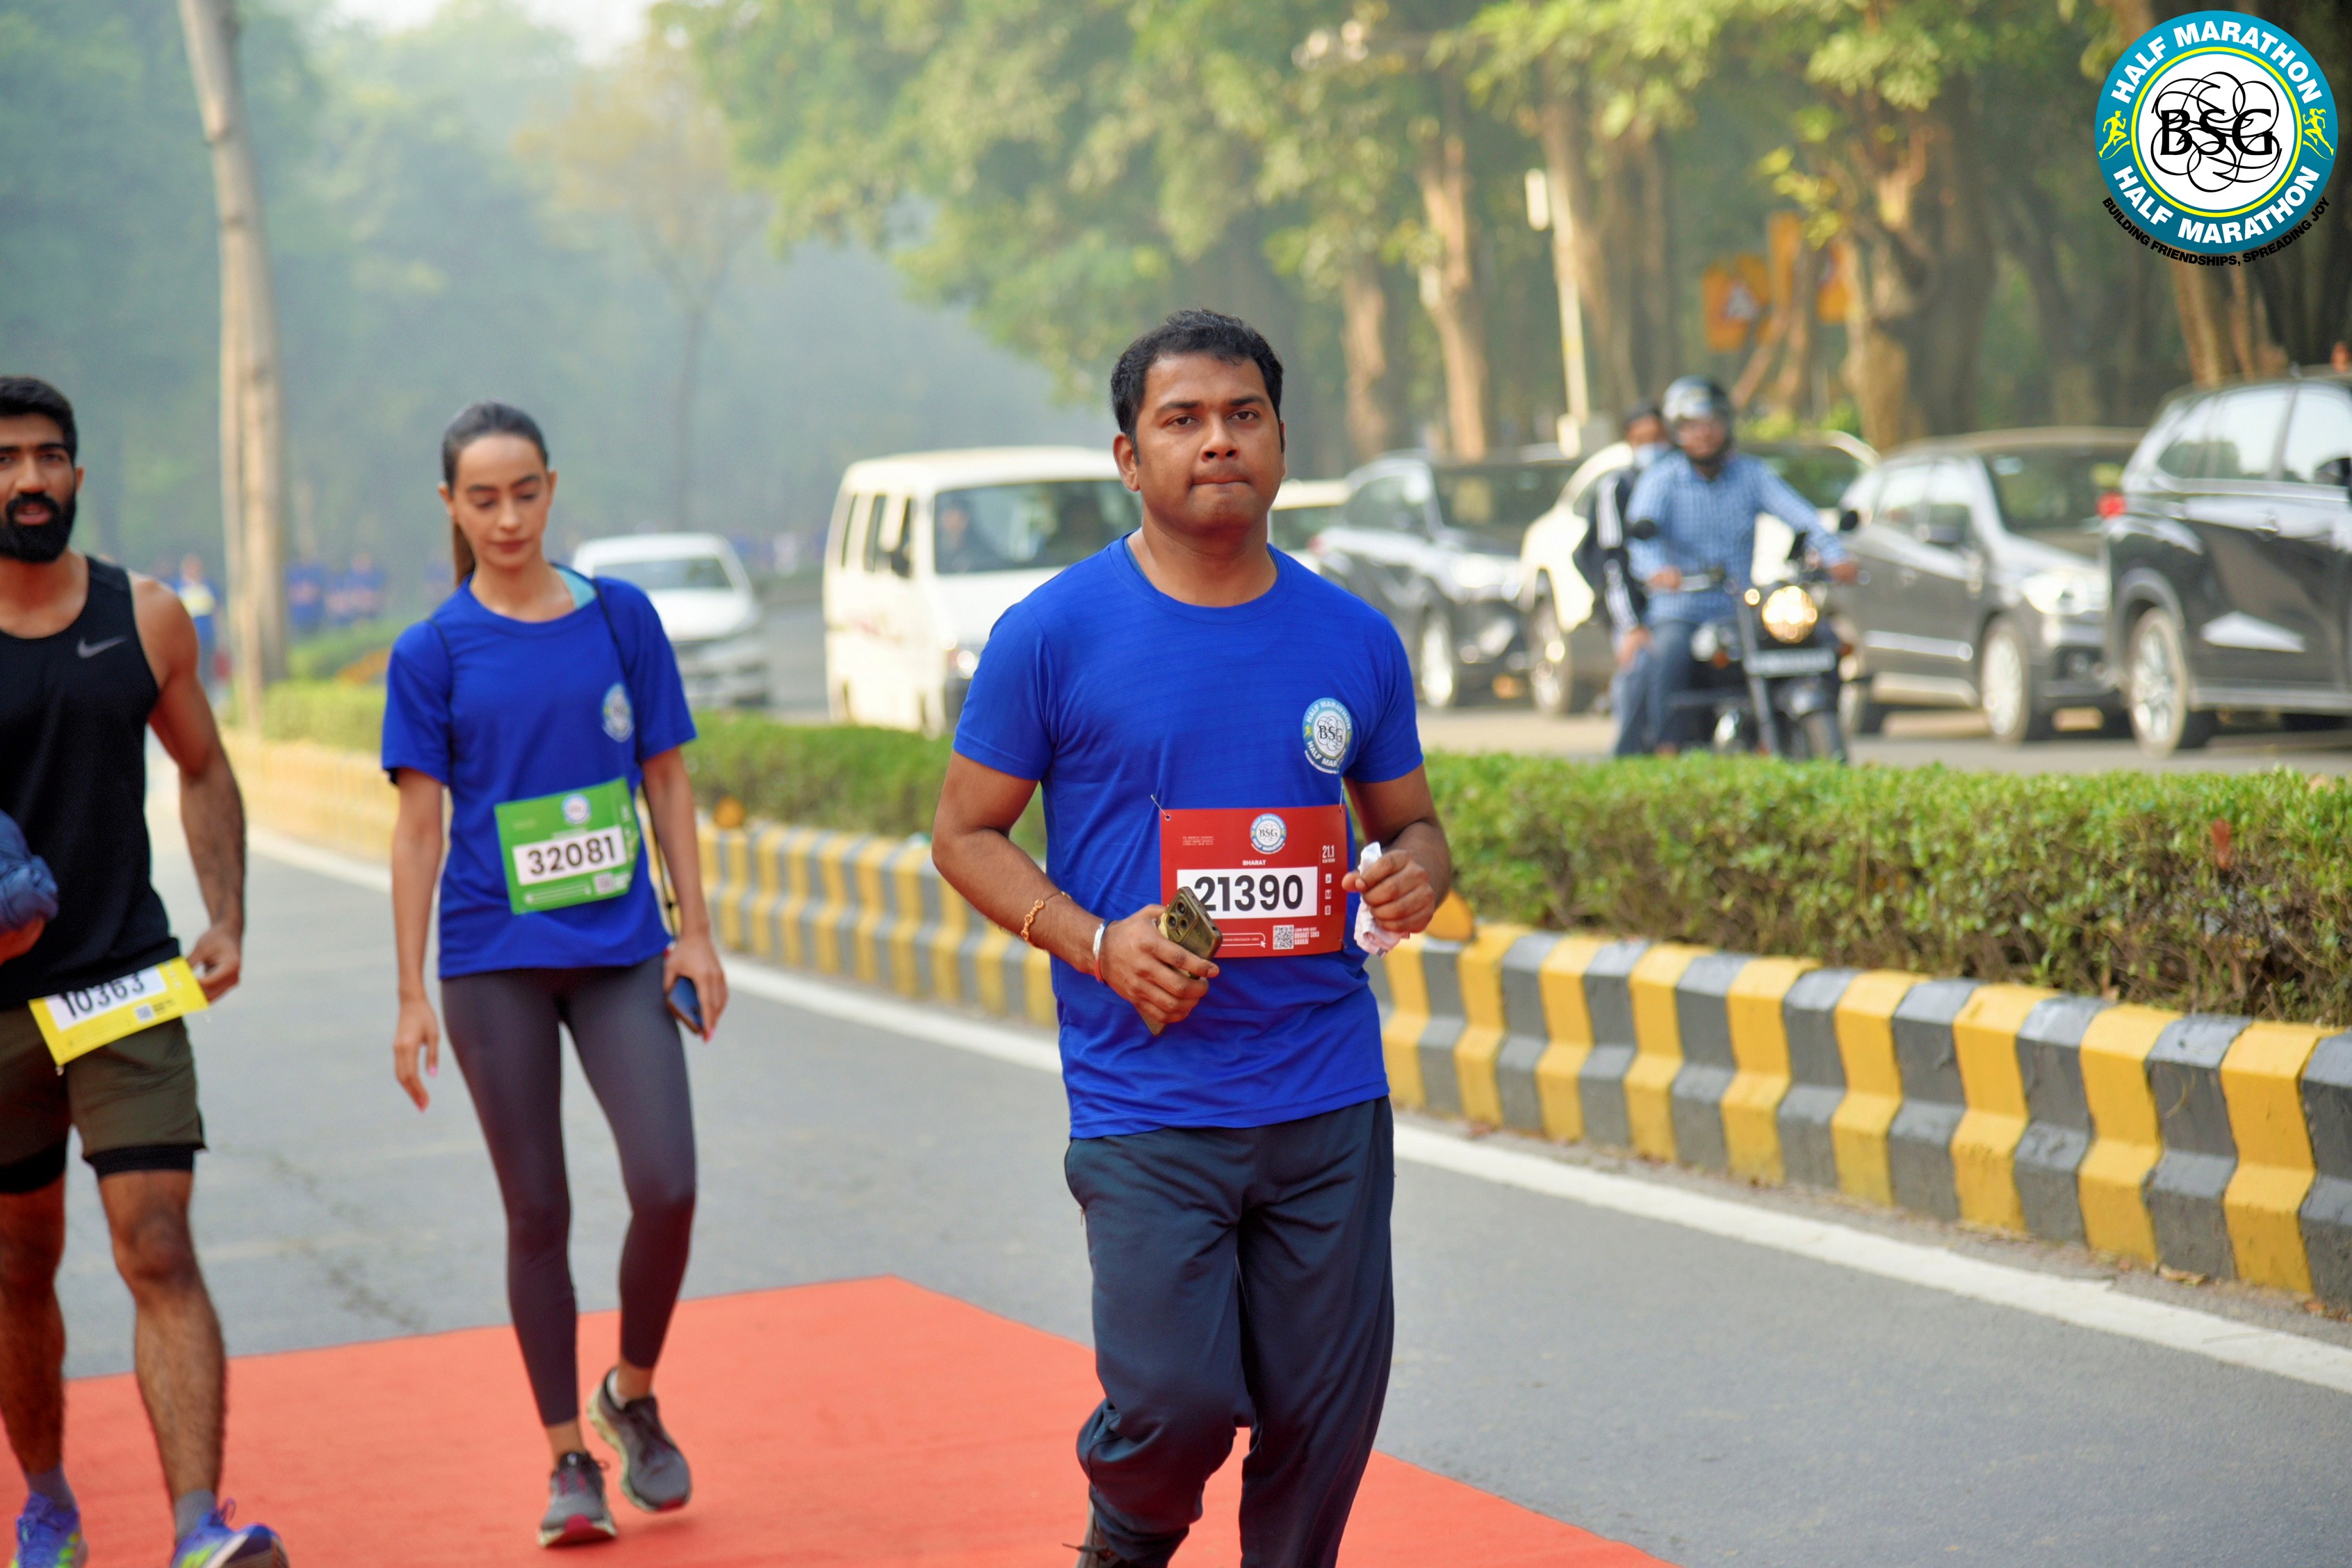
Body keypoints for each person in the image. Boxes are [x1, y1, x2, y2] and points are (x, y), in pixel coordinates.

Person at [931, 310, 1451, 1568]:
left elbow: (1414, 825)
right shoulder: (1052, 634)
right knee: (1174, 1406)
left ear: (1279, 441)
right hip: (1147, 1101)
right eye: (1182, 420)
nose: (1217, 441)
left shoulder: (1352, 638)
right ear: (1129, 457)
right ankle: (1124, 1540)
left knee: (1322, 1422)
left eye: (1242, 415)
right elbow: (963, 834)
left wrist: (1417, 876)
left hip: (1327, 1092)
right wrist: (1095, 941)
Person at [382, 402, 728, 1549]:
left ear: (551, 487)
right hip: (493, 964)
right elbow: (418, 830)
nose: (507, 517)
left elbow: (666, 778)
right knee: (538, 1209)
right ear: (450, 506)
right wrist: (409, 993)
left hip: (622, 951)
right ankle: (567, 1462)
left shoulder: (620, 619)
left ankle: (630, 1393)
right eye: (482, 499)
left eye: (524, 492)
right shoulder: (433, 652)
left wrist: (694, 932)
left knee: (667, 1184)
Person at [0, 377, 288, 1568]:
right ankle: (50, 1505)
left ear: (77, 475)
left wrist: (228, 914)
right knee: (18, 1263)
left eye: (47, 456)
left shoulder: (146, 616)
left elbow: (203, 763)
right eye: (5, 459)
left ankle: (197, 1530)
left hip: (123, 980)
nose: (28, 479)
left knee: (156, 1241)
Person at [1626, 376, 1856, 752]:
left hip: (1739, 605)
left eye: (1712, 422)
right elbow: (1641, 536)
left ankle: (1808, 725)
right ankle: (1668, 749)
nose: (1704, 433)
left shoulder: (1751, 474)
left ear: (1727, 424)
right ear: (1677, 431)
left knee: (1821, 639)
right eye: (1692, 425)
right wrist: (1657, 570)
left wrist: (1835, 556)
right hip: (1683, 607)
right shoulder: (1661, 480)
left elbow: (1802, 516)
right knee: (1669, 654)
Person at [1571, 402, 1668, 756]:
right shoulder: (1618, 487)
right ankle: (1628, 758)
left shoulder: (1686, 479)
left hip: (1685, 603)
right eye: (1642, 440)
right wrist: (1632, 626)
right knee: (1641, 667)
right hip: (1633, 607)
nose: (1651, 447)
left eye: (1658, 438)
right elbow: (1613, 563)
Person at [175, 554, 218, 696]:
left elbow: (217, 611)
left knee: (206, 668)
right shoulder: (179, 589)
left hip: (206, 637)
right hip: (187, 638)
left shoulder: (208, 587)